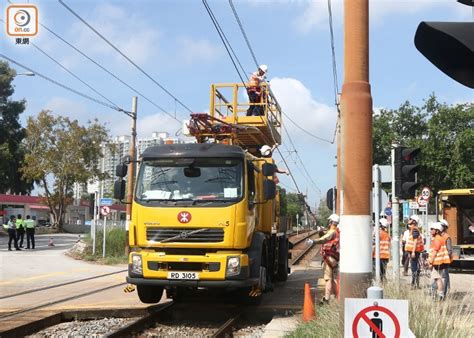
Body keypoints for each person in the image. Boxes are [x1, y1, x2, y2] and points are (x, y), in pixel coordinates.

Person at [314, 214, 340, 304]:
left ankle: (327, 299)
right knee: (332, 279)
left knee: (328, 279)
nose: (328, 223)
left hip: (329, 258)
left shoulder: (332, 231)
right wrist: (320, 232)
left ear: (331, 222)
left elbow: (325, 238)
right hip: (333, 258)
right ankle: (337, 297)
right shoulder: (335, 231)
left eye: (329, 221)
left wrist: (314, 241)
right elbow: (325, 236)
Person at [428, 222, 451, 301]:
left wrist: (430, 262)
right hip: (440, 262)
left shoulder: (437, 239)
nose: (430, 231)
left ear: (437, 231)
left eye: (432, 229)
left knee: (437, 278)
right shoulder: (439, 238)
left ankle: (440, 295)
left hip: (437, 262)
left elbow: (435, 251)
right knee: (437, 278)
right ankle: (438, 294)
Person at [404, 215, 424, 288]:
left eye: (410, 219)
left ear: (414, 221)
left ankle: (414, 284)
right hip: (414, 251)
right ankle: (415, 284)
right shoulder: (413, 229)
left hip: (415, 252)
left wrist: (412, 252)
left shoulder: (414, 229)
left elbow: (415, 241)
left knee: (414, 268)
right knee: (415, 268)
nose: (409, 220)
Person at [440, 219, 452, 296]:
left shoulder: (447, 237)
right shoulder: (438, 236)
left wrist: (446, 259)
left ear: (444, 227)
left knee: (445, 275)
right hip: (438, 260)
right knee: (441, 276)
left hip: (444, 260)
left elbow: (449, 250)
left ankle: (445, 291)